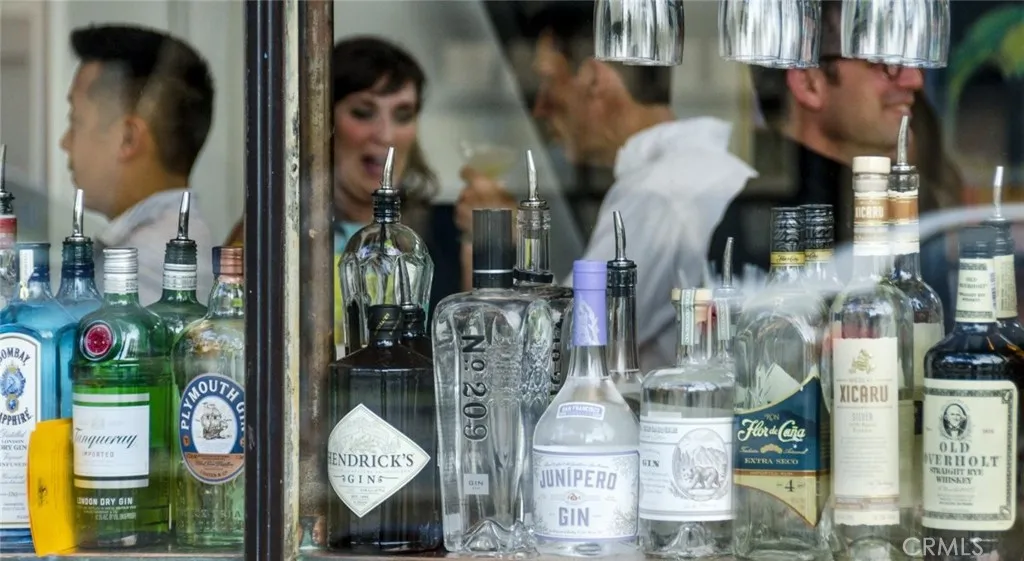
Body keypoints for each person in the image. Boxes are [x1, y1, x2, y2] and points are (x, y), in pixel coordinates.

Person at [454, 2, 757, 372]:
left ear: (594, 79)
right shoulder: (691, 173)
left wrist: (502, 237)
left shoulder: (658, 192)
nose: (540, 108)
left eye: (548, 79)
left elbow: (567, 349)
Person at [224, 36, 449, 353]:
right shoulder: (274, 229)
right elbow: (234, 341)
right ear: (322, 123)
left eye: (403, 115)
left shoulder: (442, 232)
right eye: (362, 112)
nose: (386, 135)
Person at [706, 1, 926, 277]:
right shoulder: (761, 227)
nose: (914, 80)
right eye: (885, 62)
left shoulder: (879, 197)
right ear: (809, 83)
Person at [61, 24, 216, 303]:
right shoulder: (161, 246)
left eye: (76, 121)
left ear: (128, 138)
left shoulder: (149, 267)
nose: (65, 143)